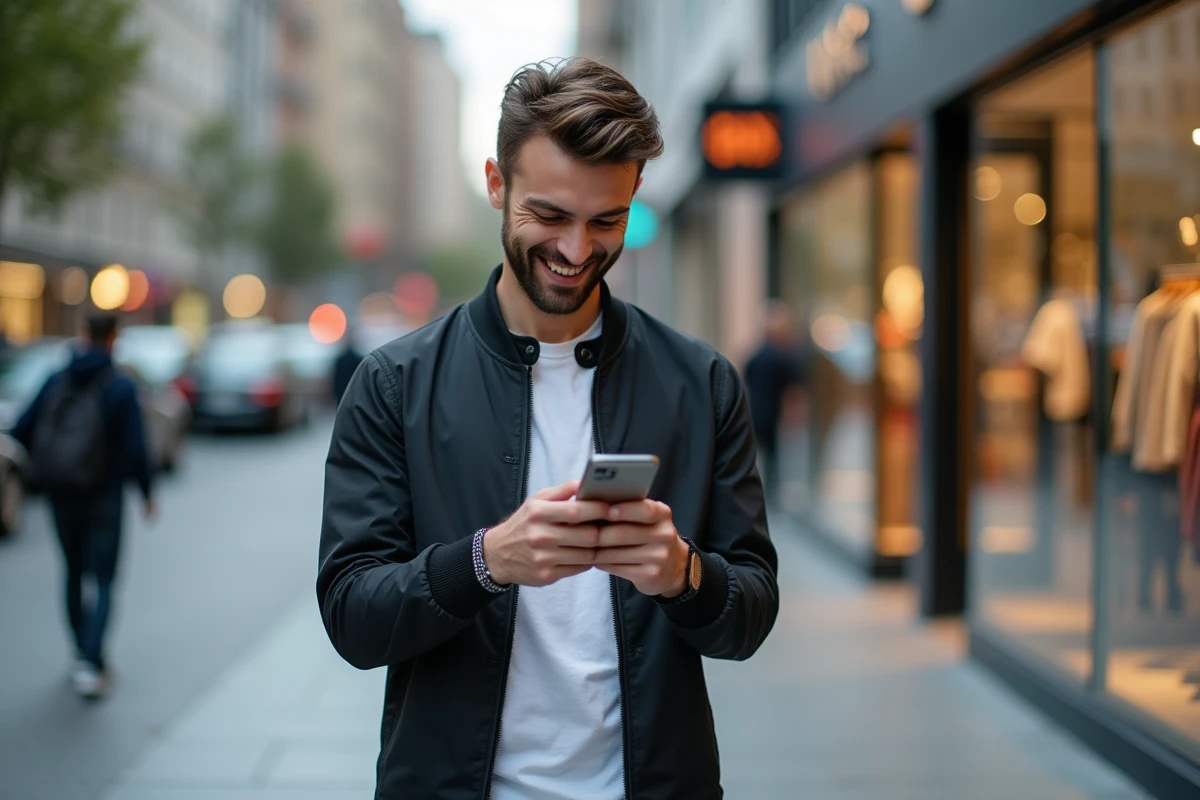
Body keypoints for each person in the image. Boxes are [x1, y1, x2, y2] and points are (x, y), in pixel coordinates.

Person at [318, 58, 779, 799]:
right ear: (496, 184)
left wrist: (683, 574)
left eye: (606, 221)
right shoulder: (394, 384)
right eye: (551, 216)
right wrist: (484, 561)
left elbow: (749, 618)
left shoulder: (702, 382)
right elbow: (352, 617)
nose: (575, 250)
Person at [14, 314, 155, 699]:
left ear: (82, 335)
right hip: (105, 496)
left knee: (73, 572)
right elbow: (136, 448)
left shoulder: (55, 379)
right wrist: (146, 493)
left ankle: (80, 653)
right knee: (104, 579)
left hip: (62, 495)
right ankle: (92, 663)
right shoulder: (120, 385)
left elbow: (23, 428)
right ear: (113, 339)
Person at [744, 301, 803, 504]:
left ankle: (763, 491)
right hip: (770, 412)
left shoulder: (756, 356)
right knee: (771, 456)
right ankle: (771, 492)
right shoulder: (781, 357)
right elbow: (792, 391)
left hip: (756, 410)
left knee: (759, 455)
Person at [330, 329, 363, 405]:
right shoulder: (357, 359)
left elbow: (336, 378)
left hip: (341, 391)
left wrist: (335, 391)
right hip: (353, 391)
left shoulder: (340, 359)